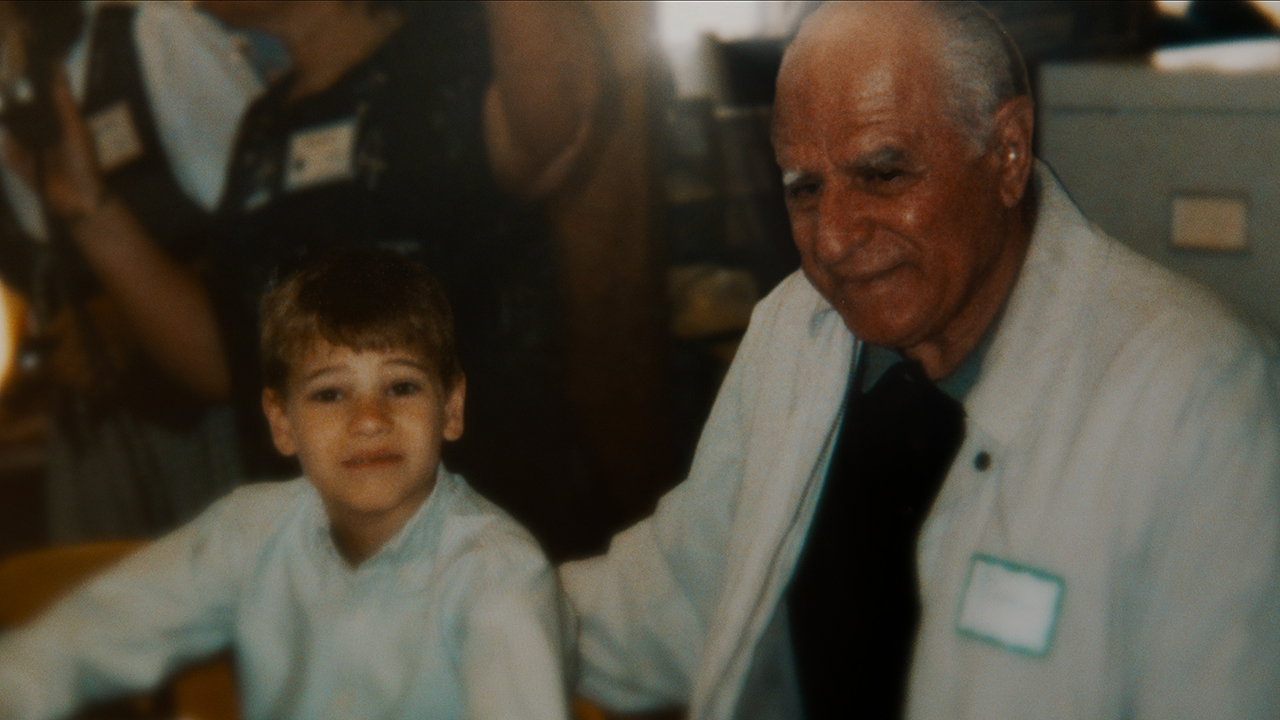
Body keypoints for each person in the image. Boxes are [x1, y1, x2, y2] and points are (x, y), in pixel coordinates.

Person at [561, 2, 1280, 719]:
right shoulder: (797, 328)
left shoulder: (1203, 399)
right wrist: (467, 598)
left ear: (1007, 152)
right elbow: (684, 594)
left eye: (883, 175)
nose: (836, 238)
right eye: (805, 188)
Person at [36, 0, 618, 558]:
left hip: (486, 561)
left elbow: (555, 127)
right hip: (331, 580)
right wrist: (90, 211)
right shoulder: (265, 126)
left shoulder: (451, 64)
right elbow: (230, 364)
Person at [0, 250, 574, 719]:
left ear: (451, 407)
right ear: (282, 424)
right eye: (330, 393)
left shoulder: (496, 576)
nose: (369, 419)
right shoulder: (251, 530)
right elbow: (86, 635)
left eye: (401, 387)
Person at [0, 0, 261, 540]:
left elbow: (276, 233)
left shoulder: (155, 35)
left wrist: (131, 313)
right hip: (95, 439)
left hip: (214, 425)